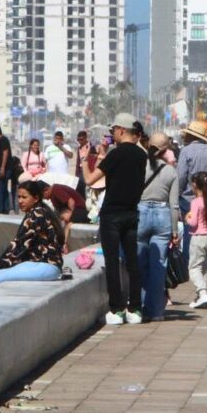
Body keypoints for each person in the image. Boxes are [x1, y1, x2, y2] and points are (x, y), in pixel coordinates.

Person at [79, 113, 147, 325]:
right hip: (131, 212)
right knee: (132, 261)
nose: (111, 135)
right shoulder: (141, 155)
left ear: (120, 130)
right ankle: (135, 309)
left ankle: (117, 310)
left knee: (112, 262)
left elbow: (90, 180)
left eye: (112, 131)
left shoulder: (116, 155)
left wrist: (84, 159)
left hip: (112, 214)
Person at [0, 181, 63, 286]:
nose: (20, 201)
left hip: (46, 266)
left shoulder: (36, 215)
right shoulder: (41, 211)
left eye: (24, 197)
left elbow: (18, 245)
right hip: (47, 265)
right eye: (18, 197)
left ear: (36, 198)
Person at [137, 133, 180, 322]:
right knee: (158, 266)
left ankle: (140, 307)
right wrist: (175, 231)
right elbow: (174, 205)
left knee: (139, 263)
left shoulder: (139, 167)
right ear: (165, 150)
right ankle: (156, 312)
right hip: (163, 215)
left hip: (141, 214)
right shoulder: (171, 171)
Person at [177, 120, 207, 265]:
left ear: (190, 136)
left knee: (191, 229)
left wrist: (177, 194)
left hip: (189, 197)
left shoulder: (186, 151)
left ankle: (190, 261)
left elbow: (182, 176)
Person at [186, 171, 207, 309]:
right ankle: (201, 296)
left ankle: (202, 293)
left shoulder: (195, 202)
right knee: (204, 268)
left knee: (194, 268)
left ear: (195, 185)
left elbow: (193, 222)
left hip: (198, 238)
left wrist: (187, 217)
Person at [40, 181, 89, 252]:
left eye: (42, 196)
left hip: (79, 209)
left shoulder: (56, 189)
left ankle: (63, 244)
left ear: (46, 190)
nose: (43, 199)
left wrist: (72, 215)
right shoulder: (53, 197)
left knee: (68, 225)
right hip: (71, 211)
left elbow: (71, 202)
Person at [75, 130, 96, 197]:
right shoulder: (79, 148)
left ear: (85, 138)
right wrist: (77, 173)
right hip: (81, 172)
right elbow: (78, 161)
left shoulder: (92, 147)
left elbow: (93, 160)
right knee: (80, 190)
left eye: (81, 139)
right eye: (78, 139)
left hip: (88, 170)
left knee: (88, 190)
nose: (79, 141)